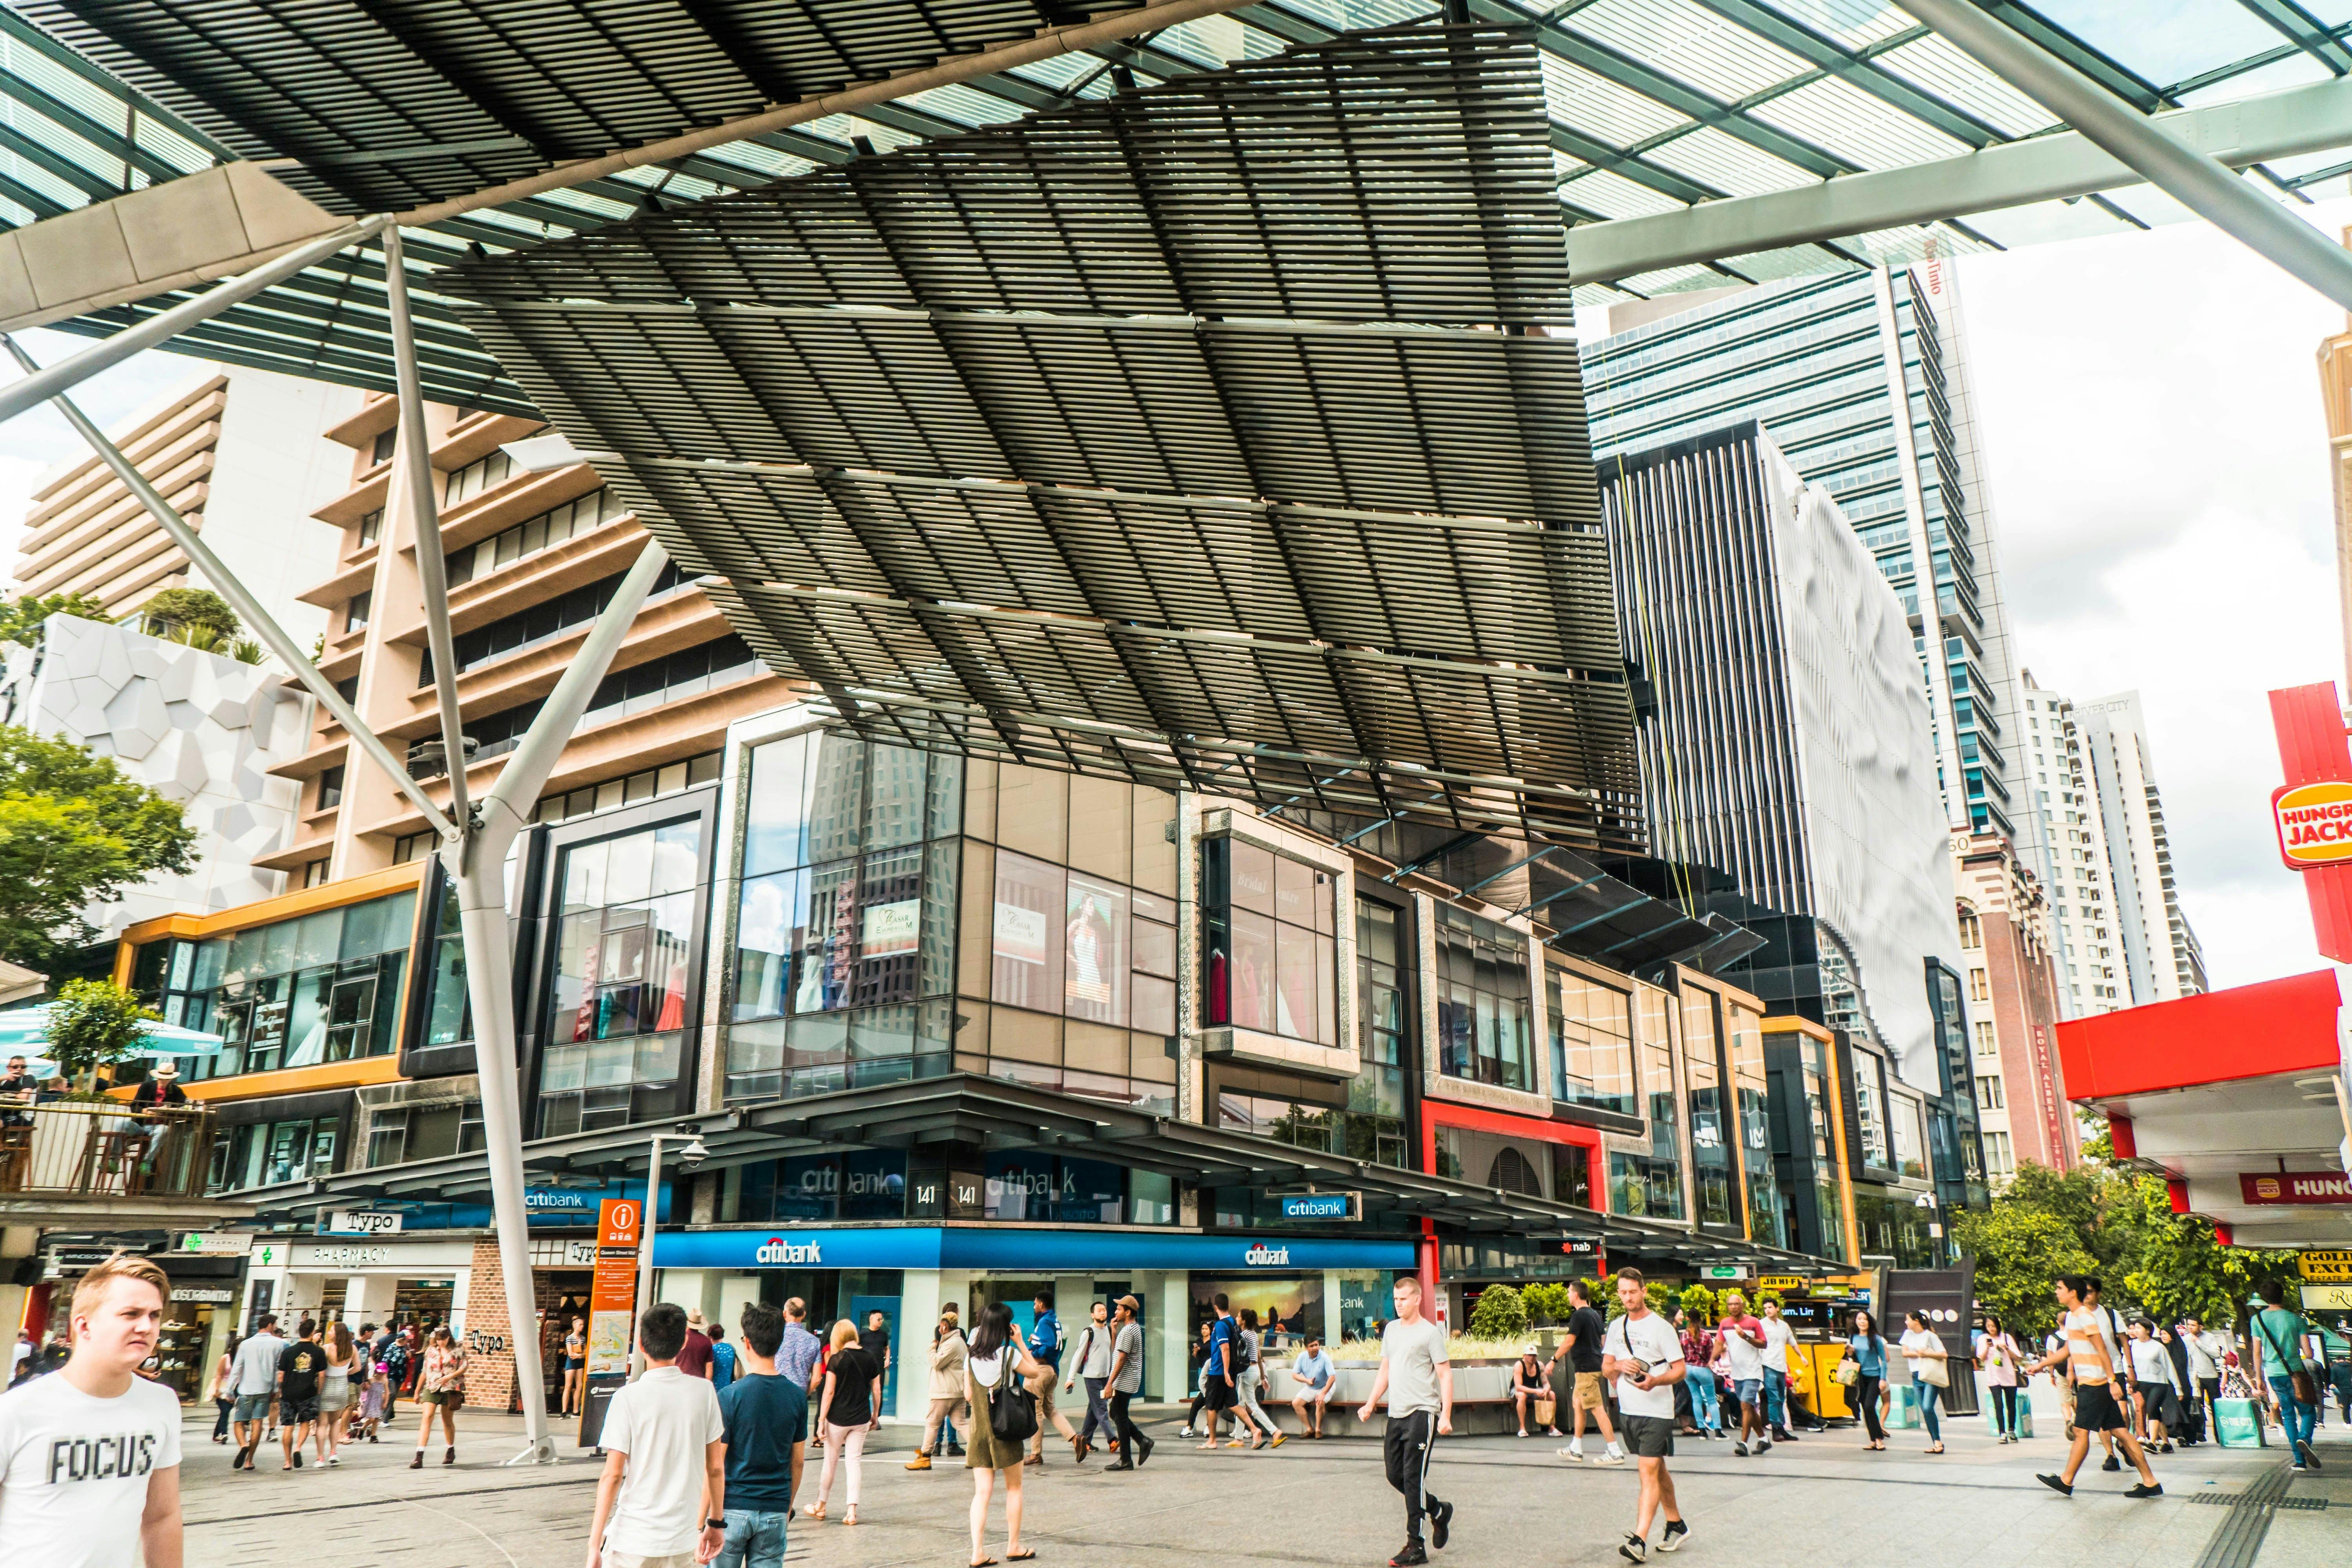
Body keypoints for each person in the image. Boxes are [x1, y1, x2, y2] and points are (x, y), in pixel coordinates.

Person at [0, 1250, 183, 1568]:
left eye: (154, 1315)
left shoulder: (162, 1404)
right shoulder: (17, 1410)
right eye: (131, 1314)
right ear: (84, 1325)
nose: (146, 1326)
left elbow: (161, 1516)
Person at [587, 1303, 726, 1568]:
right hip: (682, 1541)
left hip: (632, 1540)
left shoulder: (627, 1398)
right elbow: (716, 1468)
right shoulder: (704, 1393)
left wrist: (595, 1545)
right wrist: (716, 1523)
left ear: (640, 1344)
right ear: (684, 1341)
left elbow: (613, 1475)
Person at [2028, 1274, 2161, 1498]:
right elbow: (2067, 1350)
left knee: (2081, 1431)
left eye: (2060, 1288)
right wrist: (2042, 1364)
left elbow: (2103, 1350)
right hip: (2091, 1382)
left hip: (2097, 1383)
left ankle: (2066, 1480)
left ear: (2072, 1292)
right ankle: (2150, 1481)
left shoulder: (2085, 1317)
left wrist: (2112, 1381)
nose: (2057, 1292)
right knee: (2122, 1433)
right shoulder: (2072, 1317)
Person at [1355, 1276, 1454, 1568]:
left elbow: (1445, 1375)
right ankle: (1437, 1510)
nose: (1398, 1304)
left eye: (1403, 1299)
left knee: (1412, 1479)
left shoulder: (1430, 1334)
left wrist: (1445, 1415)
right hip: (1396, 1414)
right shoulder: (1392, 1331)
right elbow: (1385, 1369)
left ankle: (1416, 1546)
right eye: (1395, 1299)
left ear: (1416, 1300)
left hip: (1423, 1413)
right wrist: (1371, 1402)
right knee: (1394, 1475)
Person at [1600, 1269, 1686, 1563]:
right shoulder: (1615, 1327)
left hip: (1657, 1411)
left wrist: (1654, 1381)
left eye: (1632, 1292)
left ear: (1644, 1291)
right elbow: (1606, 1368)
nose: (1627, 1298)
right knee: (1657, 1468)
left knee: (1647, 1470)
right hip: (1628, 1411)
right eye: (1623, 1293)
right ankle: (1676, 1524)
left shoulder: (1662, 1328)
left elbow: (1680, 1370)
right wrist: (1620, 1366)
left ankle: (1639, 1539)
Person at [715, 1303, 808, 1568]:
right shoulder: (796, 1397)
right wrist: (786, 1507)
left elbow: (716, 1464)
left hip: (732, 1509)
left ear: (747, 1343)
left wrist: (707, 1519)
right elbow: (798, 1461)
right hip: (775, 1508)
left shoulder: (730, 1397)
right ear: (779, 1343)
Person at [965, 1301, 1047, 1566]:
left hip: (979, 1433)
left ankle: (977, 1552)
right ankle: (1013, 1546)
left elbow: (968, 1396)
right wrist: (1021, 1342)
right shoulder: (1009, 1356)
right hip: (1006, 1432)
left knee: (982, 1493)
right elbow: (1035, 1372)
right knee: (1014, 1488)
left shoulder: (970, 1356)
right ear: (1005, 1328)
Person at [803, 1319, 880, 1524]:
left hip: (837, 1418)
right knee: (854, 1462)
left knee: (831, 1462)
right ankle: (852, 1512)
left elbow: (829, 1392)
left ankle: (821, 1505)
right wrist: (876, 1415)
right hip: (862, 1417)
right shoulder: (870, 1357)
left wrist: (820, 1421)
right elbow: (877, 1389)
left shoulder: (837, 1359)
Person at [2247, 1288, 2322, 1470]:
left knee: (2288, 1415)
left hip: (2273, 1373)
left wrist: (2258, 1378)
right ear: (2283, 1296)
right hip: (2296, 1373)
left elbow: (2257, 1352)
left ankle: (2299, 1461)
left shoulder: (2257, 1320)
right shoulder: (2296, 1319)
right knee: (2308, 1411)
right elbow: (2309, 1353)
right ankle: (2304, 1439)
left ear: (2264, 1298)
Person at [1553, 1279, 1623, 1465]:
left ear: (1576, 1295)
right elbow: (1604, 1341)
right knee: (1578, 1405)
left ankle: (1615, 1451)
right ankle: (1576, 1448)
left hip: (1585, 1369)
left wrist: (1553, 1361)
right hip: (1594, 1365)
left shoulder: (1579, 1316)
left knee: (1597, 1409)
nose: (1568, 1295)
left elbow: (1569, 1342)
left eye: (1569, 1292)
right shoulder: (1594, 1314)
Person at [907, 1308, 971, 1471]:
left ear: (945, 1327)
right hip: (957, 1391)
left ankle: (925, 1458)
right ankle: (981, 1451)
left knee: (932, 1423)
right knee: (961, 1423)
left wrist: (932, 1346)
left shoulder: (951, 1344)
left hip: (944, 1392)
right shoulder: (959, 1342)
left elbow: (936, 1362)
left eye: (941, 1325)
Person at [1025, 1290, 1081, 1466]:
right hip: (1052, 1371)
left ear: (1042, 1305)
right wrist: (1036, 1341)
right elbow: (1053, 1343)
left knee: (1036, 1413)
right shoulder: (1055, 1321)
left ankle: (1035, 1454)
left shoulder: (1044, 1322)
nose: (1034, 1306)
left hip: (1040, 1370)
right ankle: (1075, 1439)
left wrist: (1035, 1353)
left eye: (1035, 1303)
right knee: (1050, 1410)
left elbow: (1048, 1345)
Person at [1101, 1295, 1154, 1471]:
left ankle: (1126, 1459)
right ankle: (1142, 1441)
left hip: (1125, 1379)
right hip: (1129, 1379)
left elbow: (1122, 1359)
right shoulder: (1133, 1329)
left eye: (1119, 1309)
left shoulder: (1129, 1331)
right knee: (1116, 1413)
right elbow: (1118, 1351)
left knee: (1119, 1415)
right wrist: (1114, 1332)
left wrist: (1110, 1383)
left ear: (1128, 1312)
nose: (1116, 1311)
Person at [227, 1312, 285, 1470]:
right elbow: (277, 1369)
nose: (276, 1328)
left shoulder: (246, 1344)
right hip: (265, 1389)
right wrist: (275, 1389)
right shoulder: (279, 1344)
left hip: (246, 1389)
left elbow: (237, 1368)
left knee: (239, 1421)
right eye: (275, 1325)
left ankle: (243, 1445)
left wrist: (230, 1390)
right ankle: (249, 1460)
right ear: (269, 1326)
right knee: (258, 1422)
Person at [1717, 1290, 1769, 1457]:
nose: (1733, 1307)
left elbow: (1764, 1344)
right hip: (1737, 1373)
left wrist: (1746, 1337)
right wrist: (1711, 1359)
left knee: (1745, 1405)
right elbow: (1719, 1343)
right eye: (1730, 1304)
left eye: (1736, 1304)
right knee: (1750, 1408)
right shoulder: (1724, 1323)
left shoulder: (1753, 1322)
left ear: (1743, 1306)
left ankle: (1744, 1443)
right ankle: (1764, 1440)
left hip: (1753, 1371)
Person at [409, 1325, 466, 1468]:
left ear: (449, 1337)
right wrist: (417, 1391)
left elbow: (464, 1367)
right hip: (432, 1386)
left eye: (443, 1339)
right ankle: (419, 1456)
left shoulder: (458, 1348)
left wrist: (450, 1377)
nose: (441, 1342)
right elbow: (425, 1371)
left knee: (447, 1421)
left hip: (450, 1388)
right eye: (438, 1340)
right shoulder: (431, 1350)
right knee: (427, 1417)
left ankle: (450, 1449)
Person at [1066, 1300, 1116, 1462]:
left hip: (1105, 1377)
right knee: (1102, 1409)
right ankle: (1113, 1440)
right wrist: (1071, 1378)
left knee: (1093, 1411)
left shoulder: (1109, 1330)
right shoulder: (1088, 1332)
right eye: (1099, 1311)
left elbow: (1112, 1351)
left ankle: (1084, 1441)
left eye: (1104, 1310)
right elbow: (1078, 1355)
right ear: (1092, 1315)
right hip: (1092, 1377)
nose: (1103, 1312)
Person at [274, 1318, 323, 1472]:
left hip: (289, 1393)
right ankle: (298, 1447)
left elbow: (280, 1376)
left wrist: (281, 1391)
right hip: (308, 1392)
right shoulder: (318, 1351)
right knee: (305, 1423)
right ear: (312, 1333)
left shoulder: (288, 1351)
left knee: (288, 1427)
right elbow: (322, 1375)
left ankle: (288, 1461)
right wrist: (319, 1392)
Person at [2125, 1319, 2180, 1454]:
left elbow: (2169, 1368)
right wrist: (2128, 1382)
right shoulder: (2131, 1345)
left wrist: (2178, 1388)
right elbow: (2126, 1364)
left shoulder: (2158, 1347)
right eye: (2134, 1328)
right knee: (2155, 1412)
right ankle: (2167, 1444)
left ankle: (2152, 1443)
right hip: (2140, 1383)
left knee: (2152, 1408)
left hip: (2159, 1383)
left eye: (2139, 1328)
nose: (2135, 1331)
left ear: (2148, 1330)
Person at [1896, 1311, 1948, 1455]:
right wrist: (1919, 1354)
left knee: (1927, 1407)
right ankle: (1937, 1443)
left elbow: (1944, 1354)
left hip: (1930, 1376)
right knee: (1925, 1410)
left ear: (1916, 1321)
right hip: (1916, 1375)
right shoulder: (1908, 1334)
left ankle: (1938, 1442)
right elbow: (1905, 1353)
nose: (1906, 1323)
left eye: (1908, 1320)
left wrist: (1926, 1354)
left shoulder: (1930, 1336)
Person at [1229, 1307, 1280, 1449]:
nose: (1237, 1319)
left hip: (1246, 1372)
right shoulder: (1254, 1334)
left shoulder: (1243, 1335)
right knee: (1240, 1406)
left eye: (1239, 1317)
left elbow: (1238, 1355)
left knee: (1252, 1406)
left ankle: (1274, 1431)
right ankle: (1239, 1438)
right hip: (1254, 1371)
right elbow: (1258, 1356)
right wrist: (1263, 1377)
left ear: (1244, 1321)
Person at [1197, 1295, 1238, 1450]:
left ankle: (1212, 1440)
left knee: (1211, 1406)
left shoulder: (1221, 1325)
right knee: (1233, 1404)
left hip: (1219, 1371)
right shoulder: (1233, 1322)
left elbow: (1225, 1348)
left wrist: (1226, 1372)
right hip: (1226, 1370)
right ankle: (1255, 1431)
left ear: (1216, 1307)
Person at [1977, 1314, 2025, 1443]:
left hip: (2008, 1375)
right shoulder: (1983, 1339)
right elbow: (1981, 1358)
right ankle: (2002, 1433)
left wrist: (2006, 1349)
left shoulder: (2006, 1337)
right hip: (1993, 1376)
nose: (1991, 1329)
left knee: (2011, 1404)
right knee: (1998, 1404)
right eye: (1988, 1326)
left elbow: (2017, 1357)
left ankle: (2011, 1430)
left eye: (1993, 1326)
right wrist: (1988, 1348)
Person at [1845, 1310, 1888, 1451]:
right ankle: (1873, 1440)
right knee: (1865, 1408)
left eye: (1865, 1319)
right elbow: (1851, 1357)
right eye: (1860, 1319)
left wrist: (1883, 1379)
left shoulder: (1875, 1339)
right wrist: (1850, 1352)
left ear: (1869, 1322)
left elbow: (1884, 1360)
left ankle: (1879, 1439)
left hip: (1874, 1376)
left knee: (1870, 1406)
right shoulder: (1853, 1337)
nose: (1862, 1322)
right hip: (1860, 1378)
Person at [317, 1320, 358, 1466]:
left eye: (331, 1331)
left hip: (327, 1385)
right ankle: (333, 1452)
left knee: (322, 1424)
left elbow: (320, 1371)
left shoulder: (326, 1349)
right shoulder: (352, 1349)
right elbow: (358, 1368)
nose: (329, 1333)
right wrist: (346, 1372)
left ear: (337, 1334)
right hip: (342, 1386)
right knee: (335, 1422)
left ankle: (320, 1458)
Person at [1759, 1299, 1800, 1441]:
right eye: (1765, 1308)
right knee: (1774, 1398)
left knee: (1782, 1399)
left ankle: (1781, 1429)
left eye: (1770, 1307)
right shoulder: (1762, 1325)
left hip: (1781, 1366)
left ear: (1777, 1308)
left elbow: (1793, 1342)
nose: (1768, 1310)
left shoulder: (1784, 1326)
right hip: (1768, 1365)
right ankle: (1776, 1429)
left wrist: (1802, 1356)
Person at [2180, 1316, 2226, 1445]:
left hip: (2211, 1376)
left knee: (2215, 1405)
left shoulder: (2209, 1337)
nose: (2190, 1327)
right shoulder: (2186, 1340)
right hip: (2196, 1376)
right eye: (2189, 1325)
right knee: (2197, 1406)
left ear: (2201, 1326)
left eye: (2193, 1325)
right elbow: (2187, 1359)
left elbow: (2216, 1354)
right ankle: (2199, 1433)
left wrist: (2199, 1343)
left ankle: (2219, 1435)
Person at [1291, 1336, 1339, 1438]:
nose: (1315, 1348)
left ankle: (1318, 1430)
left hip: (1326, 1387)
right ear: (1306, 1348)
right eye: (1312, 1346)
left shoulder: (1325, 1357)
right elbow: (1295, 1375)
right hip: (1311, 1388)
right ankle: (1310, 1429)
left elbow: (1332, 1377)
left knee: (1320, 1401)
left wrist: (1323, 1393)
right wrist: (1307, 1380)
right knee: (1296, 1403)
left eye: (1316, 1345)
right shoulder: (1302, 1357)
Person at [776, 1299, 823, 1394]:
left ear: (784, 1314)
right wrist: (805, 1394)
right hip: (799, 1393)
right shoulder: (814, 1341)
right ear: (804, 1315)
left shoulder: (776, 1336)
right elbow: (817, 1378)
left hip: (776, 1391)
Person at [1180, 1321, 1214, 1439]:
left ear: (1210, 1330)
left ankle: (1206, 1427)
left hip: (1211, 1372)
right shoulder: (1199, 1341)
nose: (1204, 1331)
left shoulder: (1213, 1342)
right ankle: (1192, 1428)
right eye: (1203, 1329)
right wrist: (1195, 1352)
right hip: (1202, 1369)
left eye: (1206, 1329)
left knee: (1206, 1400)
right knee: (1204, 1398)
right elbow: (1196, 1356)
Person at [1511, 1347, 1549, 1438]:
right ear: (1524, 1356)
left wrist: (1546, 1390)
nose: (1532, 1358)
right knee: (1522, 1396)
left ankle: (1552, 1428)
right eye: (1530, 1355)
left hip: (1533, 1389)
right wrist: (1536, 1391)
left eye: (1534, 1356)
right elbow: (1518, 1387)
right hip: (1517, 1390)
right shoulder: (1519, 1365)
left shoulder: (1540, 1365)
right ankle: (1522, 1428)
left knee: (1551, 1395)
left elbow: (1546, 1383)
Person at [209, 1334, 238, 1444]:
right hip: (223, 1386)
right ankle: (224, 1433)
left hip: (235, 1388)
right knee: (225, 1410)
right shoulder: (225, 1358)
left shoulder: (242, 1359)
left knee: (225, 1411)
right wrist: (216, 1389)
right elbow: (219, 1375)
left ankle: (217, 1434)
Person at [563, 1316, 589, 1417]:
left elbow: (586, 1351)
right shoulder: (569, 1338)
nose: (582, 1327)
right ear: (575, 1326)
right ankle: (564, 1411)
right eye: (580, 1325)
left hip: (580, 1363)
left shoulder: (583, 1338)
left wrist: (580, 1355)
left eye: (583, 1325)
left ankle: (575, 1410)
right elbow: (571, 1354)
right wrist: (581, 1355)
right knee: (568, 1386)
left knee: (580, 1386)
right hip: (571, 1363)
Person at [679, 1312, 715, 1381]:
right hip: (698, 1381)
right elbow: (709, 1367)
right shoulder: (706, 1341)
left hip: (679, 1378)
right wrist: (708, 1384)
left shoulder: (679, 1338)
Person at [709, 1323, 738, 1393]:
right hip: (728, 1389)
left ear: (711, 1336)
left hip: (714, 1390)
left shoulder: (712, 1350)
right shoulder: (730, 1348)